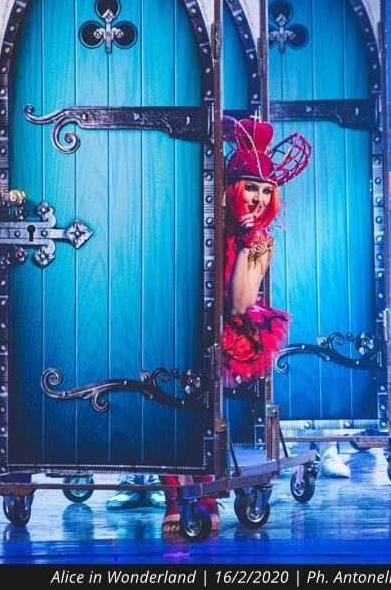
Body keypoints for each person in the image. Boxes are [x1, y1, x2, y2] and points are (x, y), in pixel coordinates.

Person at [161, 115, 312, 535]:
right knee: (167, 404)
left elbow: (241, 302)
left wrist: (247, 245)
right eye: (251, 187)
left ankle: (205, 497)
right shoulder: (203, 219)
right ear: (232, 187)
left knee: (203, 409)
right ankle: (174, 497)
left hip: (224, 327)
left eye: (266, 190)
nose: (259, 198)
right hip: (178, 314)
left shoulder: (262, 240)